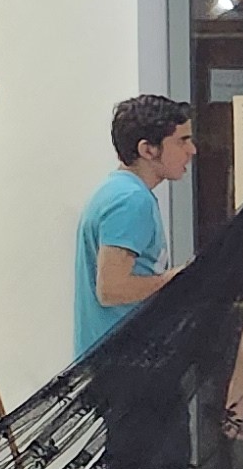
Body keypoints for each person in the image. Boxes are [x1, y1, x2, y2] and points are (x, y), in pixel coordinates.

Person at [73, 97, 193, 356]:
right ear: (148, 149)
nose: (191, 150)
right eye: (181, 141)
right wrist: (176, 279)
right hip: (119, 362)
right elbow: (111, 289)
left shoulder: (117, 191)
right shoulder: (131, 200)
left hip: (112, 359)